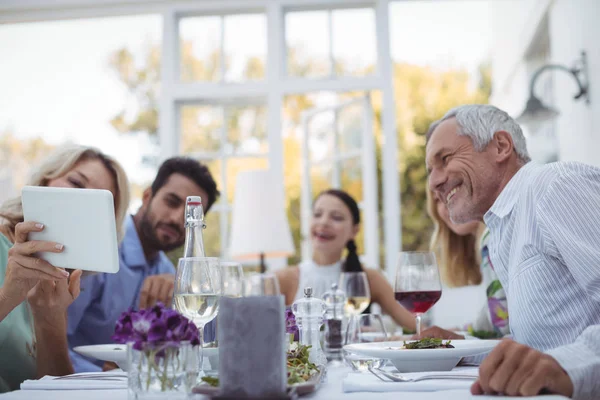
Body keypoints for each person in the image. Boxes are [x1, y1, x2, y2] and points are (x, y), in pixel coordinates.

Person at [425, 104, 600, 399]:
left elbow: (553, 361)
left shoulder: (554, 185)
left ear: (501, 146)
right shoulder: (501, 232)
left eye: (445, 158)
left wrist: (566, 367)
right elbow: (534, 348)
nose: (434, 182)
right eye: (431, 171)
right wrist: (460, 349)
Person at [67, 157, 220, 372]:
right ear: (147, 196)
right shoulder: (98, 249)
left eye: (189, 214)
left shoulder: (170, 275)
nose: (177, 219)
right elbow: (50, 339)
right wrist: (105, 376)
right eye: (172, 202)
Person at [0, 145, 130, 391]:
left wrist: (49, 320)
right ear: (44, 181)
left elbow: (57, 391)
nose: (82, 203)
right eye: (77, 183)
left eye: (99, 202)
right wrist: (8, 295)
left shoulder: (57, 283)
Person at [276, 189, 416, 331]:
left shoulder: (368, 278)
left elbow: (416, 325)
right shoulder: (283, 279)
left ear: (354, 231)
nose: (323, 222)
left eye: (336, 217)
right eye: (317, 214)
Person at [417, 188, 509, 340]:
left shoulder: (492, 239)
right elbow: (491, 321)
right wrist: (455, 333)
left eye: (454, 191)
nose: (447, 204)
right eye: (438, 199)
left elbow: (503, 327)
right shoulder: (486, 243)